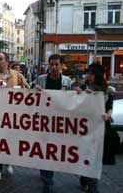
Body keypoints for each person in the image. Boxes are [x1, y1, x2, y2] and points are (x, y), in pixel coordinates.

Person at [0, 51, 29, 181]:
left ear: (7, 62)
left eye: (0, 59)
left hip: (12, 117)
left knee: (10, 141)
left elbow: (26, 91)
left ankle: (8, 161)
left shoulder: (16, 75)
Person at [31, 54, 73, 193]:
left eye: (57, 65)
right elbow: (28, 93)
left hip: (60, 123)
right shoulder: (41, 79)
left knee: (54, 151)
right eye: (52, 65)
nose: (54, 67)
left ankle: (47, 175)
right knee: (45, 150)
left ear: (62, 65)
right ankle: (47, 180)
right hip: (43, 121)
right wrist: (33, 90)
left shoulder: (68, 82)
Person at [75, 63, 118, 193]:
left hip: (100, 128)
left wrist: (107, 115)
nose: (88, 76)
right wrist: (80, 94)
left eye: (91, 73)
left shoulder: (108, 90)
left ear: (98, 75)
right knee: (87, 155)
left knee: (94, 158)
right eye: (88, 73)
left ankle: (91, 185)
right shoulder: (84, 86)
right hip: (85, 127)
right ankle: (85, 179)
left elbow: (110, 106)